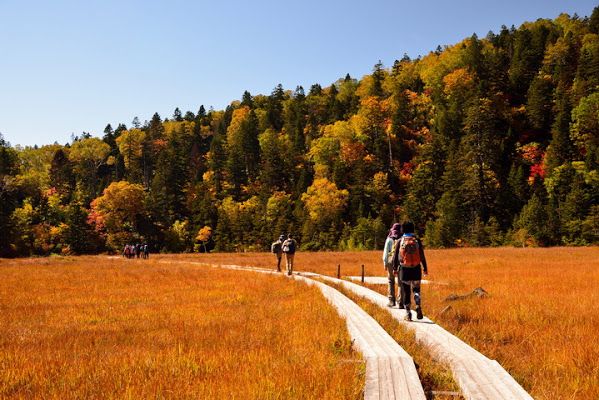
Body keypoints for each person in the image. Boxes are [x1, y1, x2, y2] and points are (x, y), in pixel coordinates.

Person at [392, 221, 428, 321]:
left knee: (406, 291)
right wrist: (425, 268)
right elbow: (422, 256)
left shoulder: (400, 241)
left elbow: (395, 257)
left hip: (404, 269)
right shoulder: (417, 240)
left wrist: (395, 269)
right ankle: (418, 306)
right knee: (416, 290)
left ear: (403, 229)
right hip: (416, 268)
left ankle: (408, 314)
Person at [382, 223, 403, 308]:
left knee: (391, 280)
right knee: (400, 282)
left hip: (391, 262)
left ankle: (391, 301)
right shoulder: (402, 238)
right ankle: (401, 302)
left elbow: (386, 252)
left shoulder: (389, 239)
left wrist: (385, 263)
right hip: (400, 262)